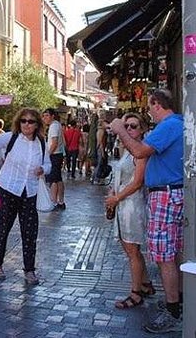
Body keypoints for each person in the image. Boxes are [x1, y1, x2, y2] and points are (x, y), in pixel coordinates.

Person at [110, 89, 183, 334]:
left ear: (157, 104)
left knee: (164, 255)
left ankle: (173, 310)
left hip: (166, 193)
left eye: (150, 106)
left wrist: (120, 129)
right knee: (168, 253)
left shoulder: (168, 125)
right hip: (166, 193)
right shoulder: (176, 124)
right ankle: (175, 302)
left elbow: (140, 152)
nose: (149, 111)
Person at [0, 107, 51, 285]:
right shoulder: (11, 137)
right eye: (23, 121)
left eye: (31, 121)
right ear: (18, 122)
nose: (26, 125)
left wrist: (43, 169)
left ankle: (29, 270)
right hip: (9, 188)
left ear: (37, 124)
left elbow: (48, 164)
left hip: (29, 191)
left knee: (29, 232)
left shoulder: (41, 143)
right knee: (3, 228)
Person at [104, 113, 153, 309]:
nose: (129, 129)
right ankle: (145, 283)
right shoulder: (126, 150)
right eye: (126, 126)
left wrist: (117, 197)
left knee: (132, 250)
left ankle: (136, 293)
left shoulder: (139, 152)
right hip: (122, 204)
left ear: (142, 129)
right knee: (129, 248)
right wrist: (113, 191)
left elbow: (137, 182)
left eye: (133, 126)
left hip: (132, 205)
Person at [42, 108, 66, 209]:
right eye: (44, 116)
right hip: (58, 154)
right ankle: (61, 201)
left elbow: (54, 143)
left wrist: (48, 155)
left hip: (54, 155)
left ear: (52, 116)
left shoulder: (54, 126)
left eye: (47, 115)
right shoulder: (56, 125)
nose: (45, 118)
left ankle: (54, 202)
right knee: (58, 179)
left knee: (53, 179)